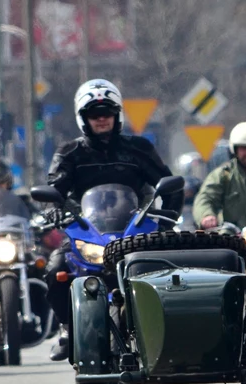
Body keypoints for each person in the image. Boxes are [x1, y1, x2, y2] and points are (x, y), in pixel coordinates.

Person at [45, 78, 179, 362]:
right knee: (55, 268)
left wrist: (167, 221)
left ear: (117, 114)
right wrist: (54, 210)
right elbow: (53, 190)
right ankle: (68, 328)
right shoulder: (69, 153)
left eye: (107, 112)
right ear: (84, 118)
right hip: (88, 233)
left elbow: (170, 183)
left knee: (173, 270)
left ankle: (169, 330)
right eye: (95, 114)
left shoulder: (139, 148)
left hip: (136, 231)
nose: (102, 119)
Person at [193, 122, 246, 229]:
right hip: (233, 234)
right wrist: (206, 215)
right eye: (244, 148)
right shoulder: (223, 174)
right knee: (220, 244)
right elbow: (205, 197)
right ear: (235, 149)